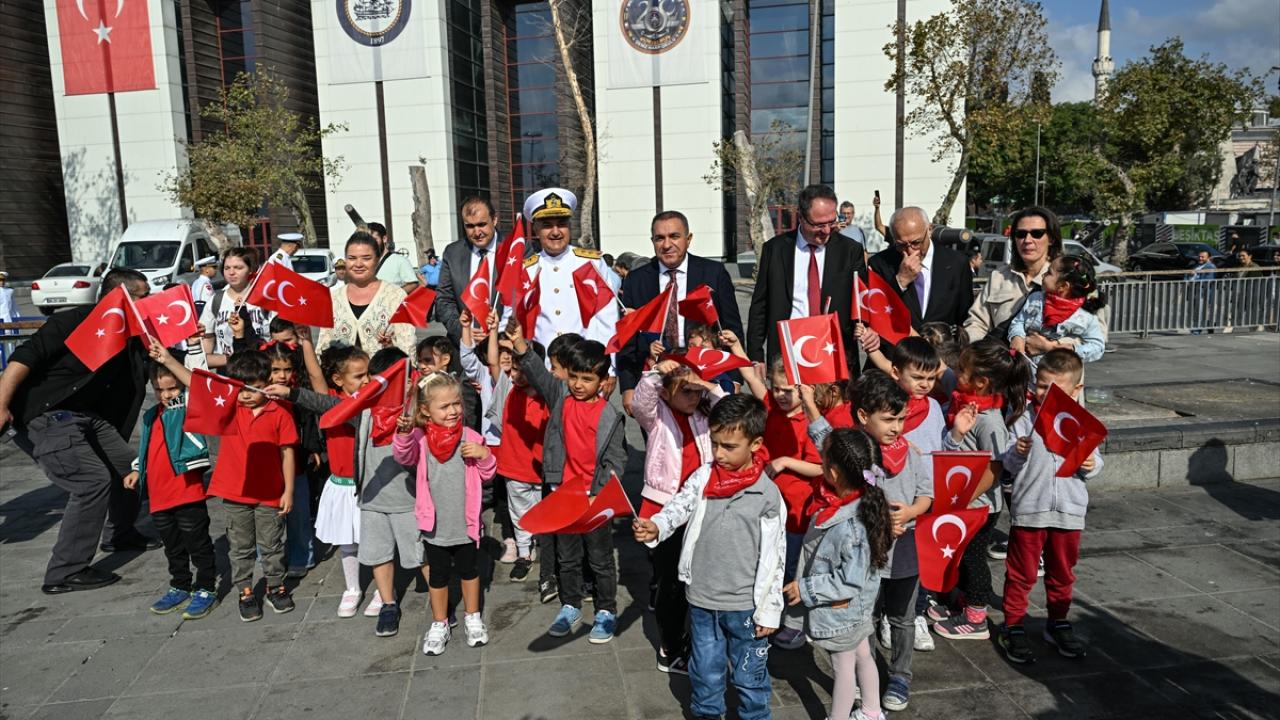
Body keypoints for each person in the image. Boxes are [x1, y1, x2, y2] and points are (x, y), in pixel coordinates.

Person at [0, 269, 157, 595]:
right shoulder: (74, 321)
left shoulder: (133, 334)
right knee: (91, 482)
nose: (149, 301)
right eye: (143, 295)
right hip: (48, 415)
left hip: (88, 417)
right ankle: (65, 571)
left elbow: (163, 364)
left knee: (131, 467)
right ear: (119, 297)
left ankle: (120, 534)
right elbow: (23, 358)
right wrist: (1, 404)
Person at [632, 394, 785, 720]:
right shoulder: (703, 477)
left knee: (750, 675)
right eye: (714, 443)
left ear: (756, 444)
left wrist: (770, 611)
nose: (719, 453)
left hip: (746, 606)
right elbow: (678, 507)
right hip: (702, 600)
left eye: (729, 446)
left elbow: (776, 556)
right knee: (705, 669)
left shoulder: (768, 494)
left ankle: (755, 716)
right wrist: (657, 526)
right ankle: (706, 713)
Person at [271, 347, 427, 638]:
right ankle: (371, 596)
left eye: (373, 376)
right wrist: (290, 393)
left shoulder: (412, 407)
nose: (368, 382)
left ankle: (428, 603)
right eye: (364, 376)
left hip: (400, 495)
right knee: (363, 546)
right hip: (359, 492)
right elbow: (323, 400)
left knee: (411, 550)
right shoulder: (361, 410)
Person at [809, 372, 933, 711]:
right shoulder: (856, 453)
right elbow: (824, 440)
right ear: (863, 416)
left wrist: (910, 512)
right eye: (889, 420)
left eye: (901, 419)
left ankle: (900, 676)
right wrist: (808, 401)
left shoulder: (910, 454)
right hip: (864, 561)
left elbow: (927, 495)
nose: (897, 428)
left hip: (905, 554)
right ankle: (866, 681)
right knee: (865, 620)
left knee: (903, 618)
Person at [508, 322, 627, 644]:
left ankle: (606, 610)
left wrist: (600, 495)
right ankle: (570, 605)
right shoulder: (560, 398)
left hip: (594, 499)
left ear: (603, 381)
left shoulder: (610, 415)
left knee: (600, 560)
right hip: (564, 494)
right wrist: (520, 344)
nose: (578, 384)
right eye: (573, 377)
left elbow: (617, 461)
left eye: (587, 379)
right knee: (568, 557)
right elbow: (539, 374)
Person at [998, 349, 1104, 664]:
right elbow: (1008, 464)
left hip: (1069, 511)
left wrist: (1091, 464)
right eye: (1042, 385)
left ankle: (1057, 621)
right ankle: (1013, 624)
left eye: (1055, 388)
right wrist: (1016, 452)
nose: (1045, 393)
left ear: (1076, 389)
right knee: (1021, 573)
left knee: (1062, 573)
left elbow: (1096, 462)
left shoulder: (1081, 421)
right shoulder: (1023, 418)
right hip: (1030, 508)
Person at [784, 428, 894, 720]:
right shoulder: (864, 496)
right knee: (862, 654)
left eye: (823, 458)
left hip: (841, 609)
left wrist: (805, 589)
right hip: (857, 607)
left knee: (843, 666)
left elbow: (848, 579)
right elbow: (830, 439)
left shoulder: (851, 524)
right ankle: (872, 711)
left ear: (833, 473)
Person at [931, 339, 1031, 641]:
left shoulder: (989, 422)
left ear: (981, 382)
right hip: (964, 501)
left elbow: (995, 469)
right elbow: (940, 369)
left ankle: (976, 616)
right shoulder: (964, 396)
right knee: (961, 555)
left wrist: (964, 498)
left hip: (979, 506)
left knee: (973, 558)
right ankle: (964, 601)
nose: (956, 372)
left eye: (962, 368)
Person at [632, 358, 727, 673]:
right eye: (686, 391)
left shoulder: (704, 414)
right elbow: (641, 401)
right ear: (666, 392)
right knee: (671, 583)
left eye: (697, 391)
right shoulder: (657, 416)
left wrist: (709, 386)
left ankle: (688, 633)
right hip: (662, 508)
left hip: (698, 507)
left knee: (692, 577)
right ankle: (670, 647)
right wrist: (656, 374)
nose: (694, 397)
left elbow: (731, 411)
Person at [394, 371, 497, 655]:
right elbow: (403, 456)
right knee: (438, 575)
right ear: (426, 410)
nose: (453, 411)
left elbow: (488, 475)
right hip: (435, 526)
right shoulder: (421, 439)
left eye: (456, 404)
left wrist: (485, 456)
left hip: (465, 524)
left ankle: (472, 616)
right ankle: (440, 621)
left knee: (469, 571)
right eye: (444, 406)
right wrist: (403, 434)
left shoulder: (470, 437)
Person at [735, 343, 822, 651]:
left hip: (796, 511)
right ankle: (766, 610)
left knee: (791, 565)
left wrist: (785, 462)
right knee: (765, 560)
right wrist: (735, 346)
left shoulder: (811, 422)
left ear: (804, 389)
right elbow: (751, 377)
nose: (781, 395)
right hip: (766, 505)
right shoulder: (770, 405)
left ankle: (793, 623)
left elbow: (820, 466)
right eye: (777, 388)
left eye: (789, 390)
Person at [123, 343, 219, 620]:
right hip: (159, 496)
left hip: (187, 492)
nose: (166, 395)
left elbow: (198, 388)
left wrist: (175, 358)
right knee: (173, 546)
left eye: (172, 388)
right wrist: (137, 469)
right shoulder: (151, 415)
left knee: (198, 544)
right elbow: (147, 448)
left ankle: (206, 587)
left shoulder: (186, 408)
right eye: (159, 390)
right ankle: (180, 585)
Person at [619, 210, 744, 414]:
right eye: (660, 238)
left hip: (706, 380)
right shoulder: (636, 279)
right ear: (652, 241)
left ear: (689, 238)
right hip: (656, 381)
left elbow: (732, 327)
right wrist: (628, 386)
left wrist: (735, 379)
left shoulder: (713, 273)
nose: (667, 244)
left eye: (674, 236)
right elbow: (627, 340)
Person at [205, 350, 298, 621]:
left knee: (272, 545)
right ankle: (245, 591)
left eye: (253, 389)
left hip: (270, 493)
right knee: (240, 546)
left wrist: (288, 490)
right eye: (240, 389)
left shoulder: (280, 413)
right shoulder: (228, 409)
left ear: (267, 383)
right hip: (235, 493)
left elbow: (287, 453)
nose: (245, 396)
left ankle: (275, 586)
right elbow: (194, 382)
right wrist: (167, 359)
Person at [506, 188, 619, 388]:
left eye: (562, 224)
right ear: (536, 230)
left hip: (585, 371)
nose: (556, 232)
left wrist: (609, 369)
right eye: (547, 225)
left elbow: (607, 318)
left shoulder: (591, 263)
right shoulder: (525, 269)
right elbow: (514, 321)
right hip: (541, 371)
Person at [746, 184, 866, 368]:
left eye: (832, 222)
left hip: (834, 352)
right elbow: (760, 306)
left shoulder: (850, 251)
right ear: (801, 218)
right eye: (819, 225)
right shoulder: (775, 250)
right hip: (787, 353)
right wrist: (756, 355)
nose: (827, 231)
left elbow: (863, 303)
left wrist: (867, 330)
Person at [867, 207, 973, 353]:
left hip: (942, 356)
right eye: (901, 245)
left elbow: (964, 315)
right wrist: (900, 281)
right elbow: (876, 312)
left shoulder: (957, 263)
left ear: (929, 230)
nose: (910, 250)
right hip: (897, 354)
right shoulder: (880, 263)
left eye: (916, 242)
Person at [315, 345, 371, 617]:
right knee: (346, 540)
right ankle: (352, 588)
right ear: (338, 379)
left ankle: (385, 591)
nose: (366, 380)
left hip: (368, 483)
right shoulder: (331, 400)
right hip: (341, 483)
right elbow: (315, 378)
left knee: (374, 539)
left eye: (368, 373)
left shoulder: (372, 401)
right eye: (358, 376)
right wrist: (306, 342)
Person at [965, 206, 1063, 343]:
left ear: (1051, 238)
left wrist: (1052, 346)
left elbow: (1087, 335)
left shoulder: (1066, 279)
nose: (1027, 240)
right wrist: (976, 348)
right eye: (1021, 234)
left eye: (1037, 233)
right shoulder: (998, 277)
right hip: (999, 355)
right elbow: (977, 323)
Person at [317, 232, 415, 357]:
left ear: (377, 260)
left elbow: (407, 346)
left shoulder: (395, 296)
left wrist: (391, 346)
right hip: (339, 369)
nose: (358, 264)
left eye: (366, 258)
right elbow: (323, 346)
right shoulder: (333, 299)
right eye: (352, 258)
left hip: (384, 369)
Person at [1009, 255, 1108, 371]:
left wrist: (1057, 348)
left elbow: (1098, 347)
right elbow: (1018, 321)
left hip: (1060, 376)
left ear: (1063, 286)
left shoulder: (1085, 316)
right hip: (1026, 372)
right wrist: (1017, 337)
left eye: (1049, 273)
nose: (1043, 275)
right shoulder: (1036, 299)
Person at [436, 197, 500, 343]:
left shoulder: (515, 250)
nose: (477, 232)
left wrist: (498, 333)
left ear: (494, 220)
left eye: (482, 224)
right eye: (470, 226)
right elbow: (444, 300)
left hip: (504, 346)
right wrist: (463, 331)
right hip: (465, 345)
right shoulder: (452, 253)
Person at [199, 247, 274, 363]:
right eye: (227, 268)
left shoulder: (266, 300)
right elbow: (206, 350)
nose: (231, 272)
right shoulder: (216, 300)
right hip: (228, 369)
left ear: (251, 270)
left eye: (238, 268)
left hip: (262, 367)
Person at [369, 222, 422, 292]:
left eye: (375, 240)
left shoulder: (400, 261)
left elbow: (413, 284)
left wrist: (394, 295)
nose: (371, 244)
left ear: (384, 239)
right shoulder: (365, 262)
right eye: (368, 240)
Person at [1188, 249, 1217, 335]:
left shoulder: (1211, 267)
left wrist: (1194, 279)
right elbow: (1187, 275)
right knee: (1197, 311)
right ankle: (1207, 327)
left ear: (1209, 258)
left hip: (1203, 292)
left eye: (1202, 257)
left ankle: (1197, 330)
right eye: (1199, 256)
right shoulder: (1197, 265)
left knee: (1200, 311)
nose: (1200, 258)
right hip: (1196, 291)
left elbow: (1208, 280)